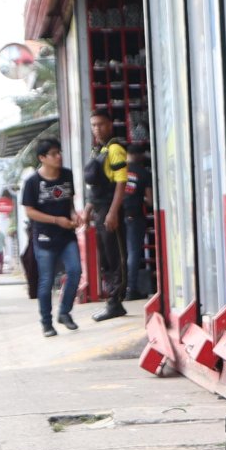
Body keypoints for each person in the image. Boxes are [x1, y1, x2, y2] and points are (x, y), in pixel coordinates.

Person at [21, 138, 82, 337]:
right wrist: (56, 220)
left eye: (59, 152)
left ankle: (64, 312)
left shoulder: (67, 175)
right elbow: (30, 211)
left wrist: (74, 216)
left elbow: (69, 203)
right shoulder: (32, 182)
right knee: (46, 281)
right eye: (54, 154)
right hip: (45, 238)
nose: (59, 157)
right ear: (42, 158)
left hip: (67, 236)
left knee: (75, 271)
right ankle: (46, 323)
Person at [83, 110, 129, 321]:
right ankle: (111, 299)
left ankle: (116, 300)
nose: (97, 129)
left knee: (116, 256)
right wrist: (87, 210)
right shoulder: (98, 151)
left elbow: (121, 183)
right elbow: (96, 188)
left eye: (101, 124)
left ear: (110, 124)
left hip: (111, 209)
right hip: (100, 210)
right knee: (106, 258)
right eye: (93, 125)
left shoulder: (115, 150)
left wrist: (112, 212)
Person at [122, 143, 153, 300]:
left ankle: (120, 288)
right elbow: (151, 200)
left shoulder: (118, 170)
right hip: (135, 216)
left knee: (122, 253)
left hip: (117, 215)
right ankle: (131, 288)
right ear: (141, 155)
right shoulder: (143, 173)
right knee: (133, 254)